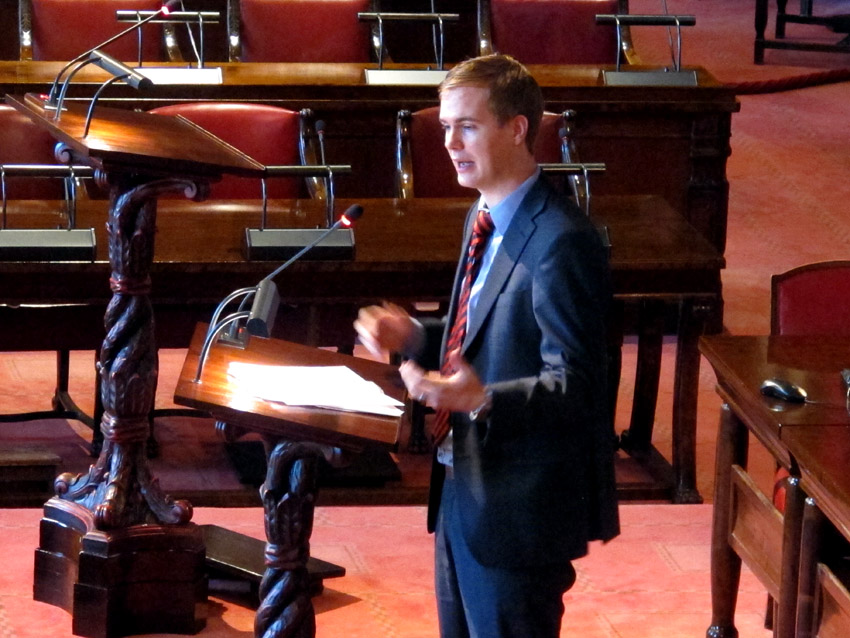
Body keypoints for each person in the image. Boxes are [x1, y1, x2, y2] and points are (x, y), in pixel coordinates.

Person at [354, 54, 619, 638]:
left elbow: (579, 385)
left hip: (520, 506)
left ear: (517, 128)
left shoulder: (562, 242)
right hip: (463, 487)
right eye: (446, 127)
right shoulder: (484, 215)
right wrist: (414, 334)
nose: (450, 144)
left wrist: (482, 399)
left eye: (467, 127)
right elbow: (481, 331)